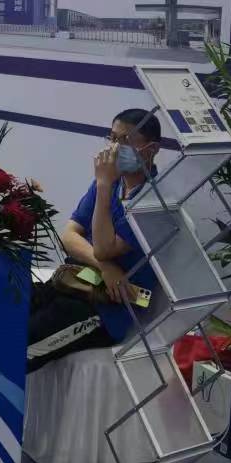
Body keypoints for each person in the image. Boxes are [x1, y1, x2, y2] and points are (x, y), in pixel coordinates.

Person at [27, 108, 161, 371]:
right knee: (3, 318)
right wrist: (105, 267)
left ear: (151, 149)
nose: (114, 148)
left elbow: (103, 248)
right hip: (73, 282)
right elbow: (69, 236)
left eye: (125, 141)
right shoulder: (112, 183)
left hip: (105, 310)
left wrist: (103, 186)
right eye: (112, 138)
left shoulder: (154, 202)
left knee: (19, 348)